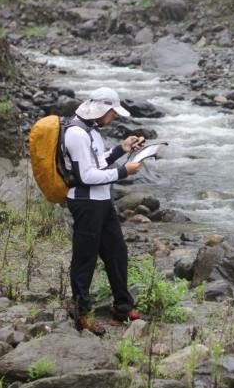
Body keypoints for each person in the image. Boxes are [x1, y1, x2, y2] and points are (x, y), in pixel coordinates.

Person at [64, 86, 146, 335]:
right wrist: (124, 171)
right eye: (113, 113)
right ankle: (82, 313)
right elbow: (86, 176)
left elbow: (97, 164)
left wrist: (122, 149)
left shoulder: (92, 132)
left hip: (101, 200)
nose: (115, 118)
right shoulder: (77, 134)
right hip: (86, 203)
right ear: (101, 109)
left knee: (117, 253)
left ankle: (122, 308)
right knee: (85, 258)